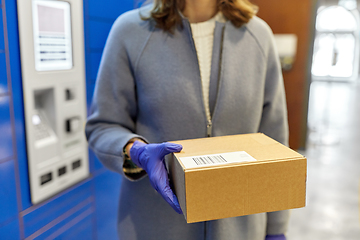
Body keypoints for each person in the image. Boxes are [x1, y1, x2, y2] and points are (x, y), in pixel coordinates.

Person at [86, 0, 290, 239]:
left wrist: (276, 228)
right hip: (155, 226)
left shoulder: (258, 35)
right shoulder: (131, 31)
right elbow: (103, 125)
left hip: (241, 227)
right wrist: (137, 151)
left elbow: (275, 141)